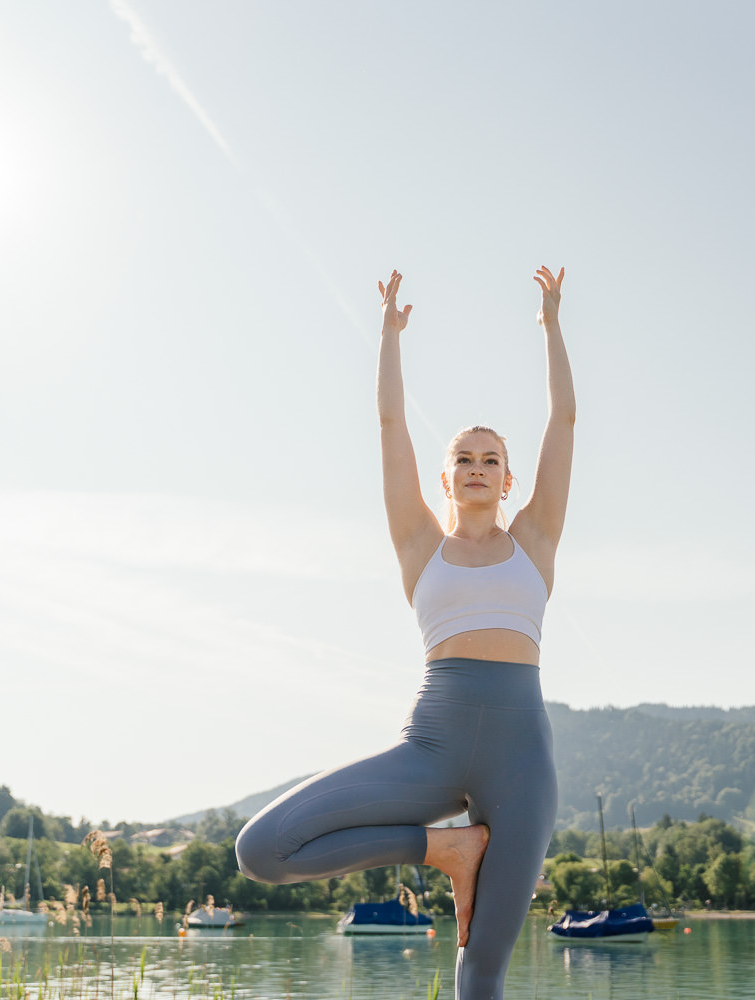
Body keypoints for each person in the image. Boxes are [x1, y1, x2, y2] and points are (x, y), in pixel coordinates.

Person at [235, 266, 574, 999]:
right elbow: (390, 427)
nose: (477, 467)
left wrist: (551, 327)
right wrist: (388, 338)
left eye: (491, 460)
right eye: (463, 458)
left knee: (481, 971)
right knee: (261, 848)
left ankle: (459, 851)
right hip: (432, 748)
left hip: (522, 767)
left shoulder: (536, 540)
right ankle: (444, 850)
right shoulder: (420, 545)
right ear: (444, 478)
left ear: (510, 481)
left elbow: (564, 424)